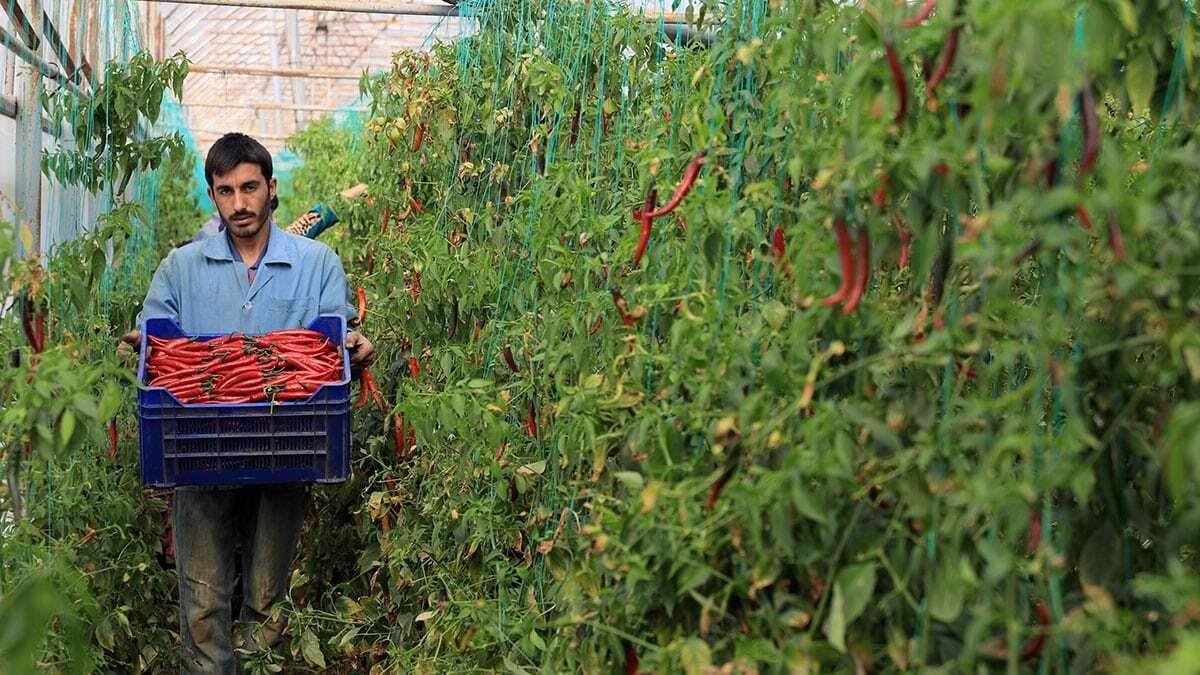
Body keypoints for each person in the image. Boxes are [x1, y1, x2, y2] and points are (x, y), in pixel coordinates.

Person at [119, 133, 375, 673]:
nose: (239, 203)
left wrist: (355, 348)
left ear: (271, 188)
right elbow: (154, 341)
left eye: (250, 187)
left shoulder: (317, 262)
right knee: (203, 602)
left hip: (287, 448)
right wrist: (140, 348)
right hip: (198, 450)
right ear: (213, 196)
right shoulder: (180, 267)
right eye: (226, 191)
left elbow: (333, 342)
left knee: (267, 599)